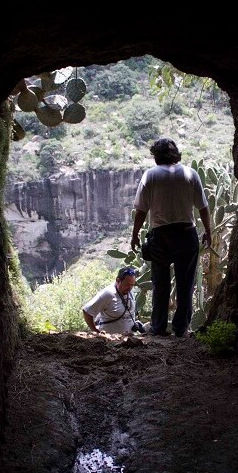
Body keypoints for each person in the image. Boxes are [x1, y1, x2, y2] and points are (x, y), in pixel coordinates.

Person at [130, 138, 211, 338]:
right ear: (176, 154)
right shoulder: (190, 174)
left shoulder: (150, 175)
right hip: (186, 234)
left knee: (160, 283)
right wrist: (208, 231)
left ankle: (158, 328)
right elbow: (203, 207)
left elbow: (141, 210)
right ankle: (181, 329)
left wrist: (134, 235)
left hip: (161, 236)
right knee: (186, 284)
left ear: (156, 155)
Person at [82, 266, 140, 335]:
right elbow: (87, 311)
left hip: (129, 339)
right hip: (111, 341)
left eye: (132, 285)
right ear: (118, 281)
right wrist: (95, 330)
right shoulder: (108, 294)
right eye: (127, 284)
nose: (130, 288)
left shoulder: (129, 290)